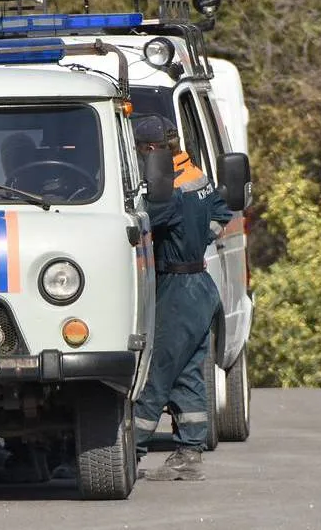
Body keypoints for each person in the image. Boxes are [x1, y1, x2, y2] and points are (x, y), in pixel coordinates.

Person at [130, 114, 233, 482]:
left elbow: (141, 224)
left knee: (156, 372)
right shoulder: (196, 176)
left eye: (140, 149)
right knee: (188, 373)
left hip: (176, 289)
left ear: (152, 148)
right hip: (201, 285)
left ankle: (131, 450)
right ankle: (190, 453)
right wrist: (198, 238)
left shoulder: (166, 189)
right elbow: (223, 213)